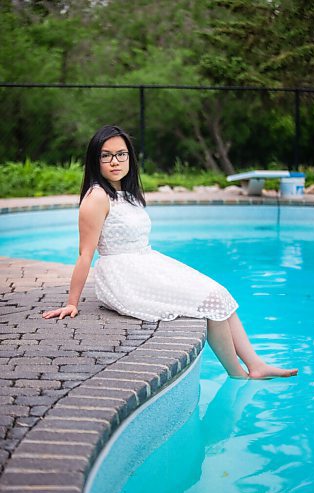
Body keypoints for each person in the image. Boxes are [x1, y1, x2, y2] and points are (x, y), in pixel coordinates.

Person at [43, 125, 298, 380]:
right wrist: (72, 303)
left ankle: (255, 364)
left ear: (129, 157)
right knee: (209, 303)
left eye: (121, 154)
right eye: (105, 155)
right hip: (123, 276)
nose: (115, 161)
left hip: (146, 261)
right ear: (94, 160)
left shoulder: (126, 193)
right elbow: (85, 254)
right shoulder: (96, 198)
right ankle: (237, 374)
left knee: (219, 293)